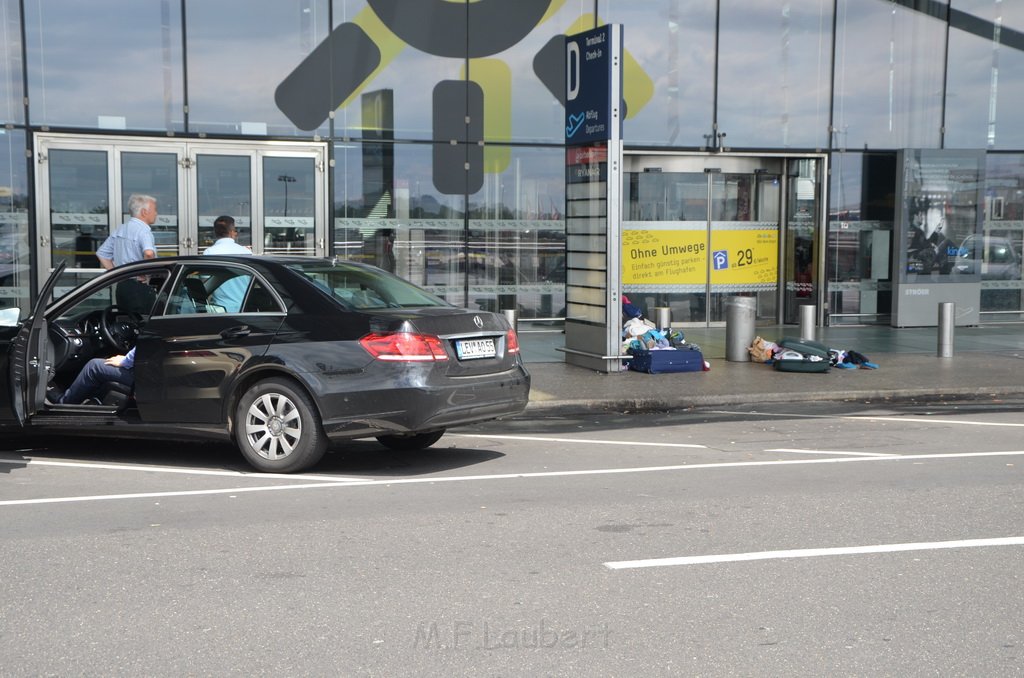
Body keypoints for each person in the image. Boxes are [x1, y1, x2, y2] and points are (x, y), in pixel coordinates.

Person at [97, 194, 159, 312]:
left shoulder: (121, 229)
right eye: (154, 210)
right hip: (140, 288)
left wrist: (116, 275)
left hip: (122, 287)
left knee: (125, 323)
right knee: (143, 324)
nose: (156, 213)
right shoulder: (143, 231)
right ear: (144, 212)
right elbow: (149, 253)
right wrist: (144, 273)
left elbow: (102, 254)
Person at [203, 215, 252, 312]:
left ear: (215, 232)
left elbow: (205, 286)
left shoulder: (209, 253)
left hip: (221, 311)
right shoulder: (246, 253)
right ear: (232, 232)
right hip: (245, 309)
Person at [54, 348, 135, 405]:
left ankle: (65, 403)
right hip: (144, 376)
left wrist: (126, 361)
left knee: (94, 366)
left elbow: (143, 347)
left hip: (140, 378)